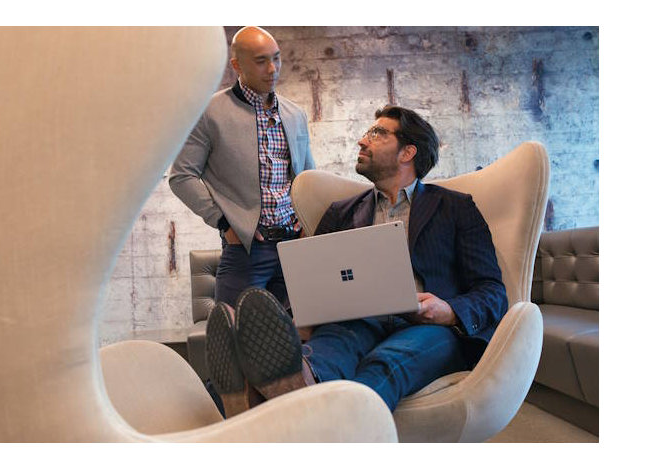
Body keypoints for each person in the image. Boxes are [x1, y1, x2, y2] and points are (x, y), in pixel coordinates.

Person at [205, 105, 508, 417]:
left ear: (408, 152)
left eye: (377, 134)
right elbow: (311, 279)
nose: (363, 141)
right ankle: (295, 388)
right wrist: (300, 317)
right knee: (322, 354)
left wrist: (448, 311)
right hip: (355, 320)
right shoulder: (341, 212)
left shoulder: (456, 207)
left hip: (429, 329)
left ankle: (275, 407)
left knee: (386, 363)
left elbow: (492, 290)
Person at [169, 26, 315, 308]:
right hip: (247, 249)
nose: (272, 69)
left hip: (294, 246)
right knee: (238, 338)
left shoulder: (295, 114)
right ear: (237, 65)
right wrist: (224, 224)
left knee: (298, 339)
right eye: (261, 61)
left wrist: (308, 219)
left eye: (277, 58)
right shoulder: (208, 112)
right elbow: (182, 177)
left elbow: (308, 177)